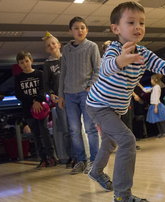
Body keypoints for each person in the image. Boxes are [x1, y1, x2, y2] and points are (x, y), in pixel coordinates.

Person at [85, 2, 165, 201]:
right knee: (127, 141)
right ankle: (122, 196)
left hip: (116, 108)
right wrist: (122, 60)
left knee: (109, 142)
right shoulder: (114, 50)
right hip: (98, 105)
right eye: (131, 22)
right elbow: (105, 68)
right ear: (116, 28)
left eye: (142, 23)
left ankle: (96, 171)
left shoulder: (144, 53)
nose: (138, 27)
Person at [57, 16, 100, 175]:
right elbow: (63, 73)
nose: (80, 30)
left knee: (90, 129)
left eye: (82, 27)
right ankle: (81, 161)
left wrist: (90, 86)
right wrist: (61, 95)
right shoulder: (66, 49)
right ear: (70, 31)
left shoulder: (92, 46)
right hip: (69, 95)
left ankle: (95, 162)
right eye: (76, 28)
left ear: (87, 30)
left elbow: (98, 70)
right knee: (74, 130)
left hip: (86, 94)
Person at [14, 51, 56, 169]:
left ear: (31, 60)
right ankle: (43, 159)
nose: (25, 64)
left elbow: (43, 89)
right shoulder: (18, 78)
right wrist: (33, 102)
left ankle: (51, 157)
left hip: (42, 109)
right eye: (22, 63)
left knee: (45, 132)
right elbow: (19, 94)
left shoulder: (40, 74)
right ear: (19, 65)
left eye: (27, 61)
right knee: (36, 135)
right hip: (28, 110)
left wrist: (38, 101)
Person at [42, 32, 72, 168]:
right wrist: (52, 94)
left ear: (59, 45)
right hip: (60, 101)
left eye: (54, 43)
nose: (52, 46)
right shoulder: (47, 64)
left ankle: (82, 155)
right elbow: (46, 86)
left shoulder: (68, 59)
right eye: (49, 45)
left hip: (73, 97)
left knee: (77, 129)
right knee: (66, 130)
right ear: (47, 49)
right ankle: (72, 156)